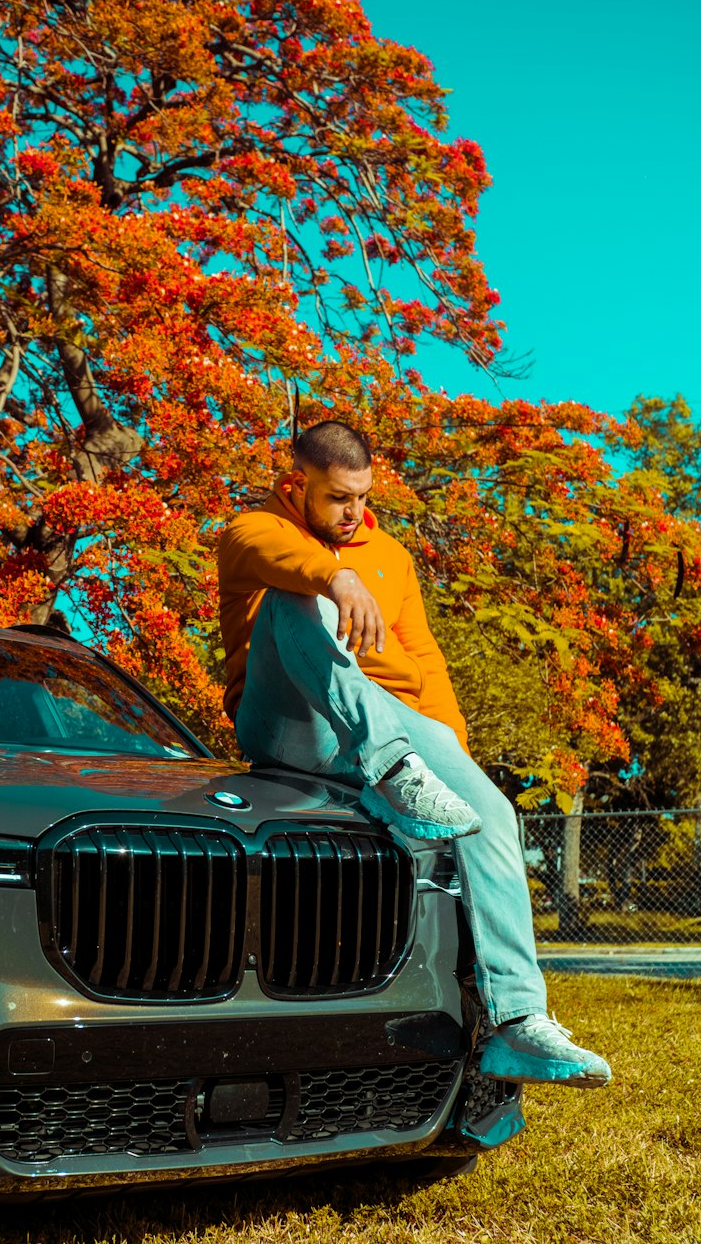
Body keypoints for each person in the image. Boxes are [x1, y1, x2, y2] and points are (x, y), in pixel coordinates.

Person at [217, 419, 611, 1087]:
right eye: (339, 498)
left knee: (490, 813)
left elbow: (422, 657)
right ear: (297, 484)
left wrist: (452, 749)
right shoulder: (254, 531)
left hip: (391, 718)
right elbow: (279, 560)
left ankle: (518, 1021)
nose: (355, 511)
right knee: (298, 595)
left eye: (363, 496)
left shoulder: (393, 555)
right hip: (290, 718)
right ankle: (392, 766)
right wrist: (336, 578)